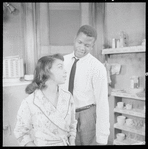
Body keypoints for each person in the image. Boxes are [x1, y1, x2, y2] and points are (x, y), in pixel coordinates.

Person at [60, 25, 110, 145]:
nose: (82, 48)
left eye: (87, 45)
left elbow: (102, 103)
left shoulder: (97, 68)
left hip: (87, 116)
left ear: (92, 46)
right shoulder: (62, 62)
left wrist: (102, 138)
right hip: (64, 113)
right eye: (80, 42)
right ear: (74, 39)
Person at [13, 54, 77, 146]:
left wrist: (72, 140)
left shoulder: (67, 97)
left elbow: (72, 125)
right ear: (47, 71)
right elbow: (21, 132)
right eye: (60, 67)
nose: (65, 71)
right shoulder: (30, 102)